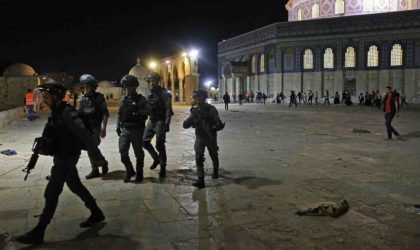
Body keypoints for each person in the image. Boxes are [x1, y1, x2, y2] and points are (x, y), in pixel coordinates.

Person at [15, 80, 106, 245]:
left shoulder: (66, 112)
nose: (43, 99)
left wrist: (98, 156)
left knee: (52, 191)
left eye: (46, 96)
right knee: (75, 185)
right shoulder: (56, 112)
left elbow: (84, 134)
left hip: (67, 156)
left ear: (55, 97)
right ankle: (96, 213)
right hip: (61, 155)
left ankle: (39, 230)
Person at [183, 89, 224, 189]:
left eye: (196, 97)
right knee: (199, 157)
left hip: (210, 136)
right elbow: (186, 124)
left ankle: (215, 171)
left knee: (213, 154)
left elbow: (219, 123)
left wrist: (211, 127)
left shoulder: (211, 109)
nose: (195, 99)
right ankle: (201, 180)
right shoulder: (196, 110)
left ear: (202, 97)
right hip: (200, 136)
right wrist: (193, 122)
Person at [117, 75, 149, 183]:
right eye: (126, 86)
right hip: (125, 129)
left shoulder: (141, 100)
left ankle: (139, 173)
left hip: (137, 129)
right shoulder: (123, 99)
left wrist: (139, 110)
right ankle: (130, 170)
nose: (127, 89)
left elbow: (149, 112)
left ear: (135, 87)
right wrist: (118, 125)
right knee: (122, 150)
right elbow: (120, 113)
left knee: (138, 153)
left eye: (130, 86)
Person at [78, 74, 109, 179]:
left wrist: (103, 129)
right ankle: (101, 164)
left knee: (92, 146)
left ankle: (96, 167)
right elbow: (80, 115)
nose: (86, 89)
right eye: (85, 87)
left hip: (95, 127)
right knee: (90, 147)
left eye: (88, 86)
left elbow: (105, 114)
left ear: (93, 87)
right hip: (86, 128)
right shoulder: (83, 99)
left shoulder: (99, 98)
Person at [143, 72, 173, 178]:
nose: (151, 83)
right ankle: (156, 158)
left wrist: (167, 123)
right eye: (149, 81)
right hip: (151, 120)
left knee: (159, 144)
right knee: (144, 142)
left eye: (153, 81)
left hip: (160, 120)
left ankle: (163, 166)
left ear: (157, 81)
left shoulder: (164, 93)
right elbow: (146, 107)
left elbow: (169, 109)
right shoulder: (148, 93)